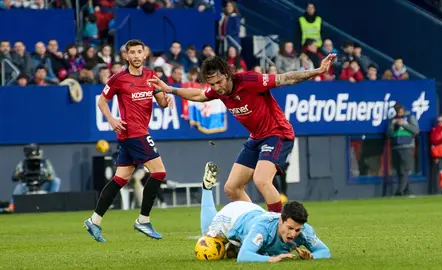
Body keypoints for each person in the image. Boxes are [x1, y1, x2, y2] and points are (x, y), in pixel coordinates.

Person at [148, 54, 336, 213]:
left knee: (261, 180)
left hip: (277, 133)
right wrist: (169, 89)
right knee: (232, 188)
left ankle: (277, 228)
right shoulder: (218, 91)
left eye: (219, 82)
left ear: (228, 74)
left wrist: (317, 71)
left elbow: (286, 78)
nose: (217, 87)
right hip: (256, 138)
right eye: (212, 84)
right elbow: (198, 95)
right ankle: (258, 221)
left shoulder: (250, 80)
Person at [83, 39, 175, 242]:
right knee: (159, 172)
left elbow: (159, 100)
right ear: (126, 56)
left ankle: (94, 220)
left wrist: (165, 101)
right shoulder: (119, 79)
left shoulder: (151, 75)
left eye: (139, 52)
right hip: (134, 132)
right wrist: (111, 119)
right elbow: (102, 101)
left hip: (134, 133)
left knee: (120, 178)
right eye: (131, 52)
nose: (135, 56)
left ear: (145, 54)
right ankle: (143, 220)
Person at [198, 162, 330, 262]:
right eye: (289, 228)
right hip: (234, 216)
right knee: (207, 238)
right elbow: (244, 257)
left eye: (297, 230)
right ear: (280, 220)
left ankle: (235, 246)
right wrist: (271, 259)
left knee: (247, 249)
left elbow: (324, 251)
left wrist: (312, 257)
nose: (293, 234)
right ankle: (207, 188)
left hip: (255, 213)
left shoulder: (304, 230)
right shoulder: (262, 230)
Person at [7, 144, 61, 212]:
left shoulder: (45, 162)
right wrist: (21, 174)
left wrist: (44, 176)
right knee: (19, 186)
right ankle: (12, 206)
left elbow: (52, 176)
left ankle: (52, 203)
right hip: (27, 186)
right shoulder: (22, 163)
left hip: (42, 185)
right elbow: (14, 177)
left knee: (57, 180)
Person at [386, 103, 419, 196]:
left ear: (403, 110)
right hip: (395, 147)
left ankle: (399, 191)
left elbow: (416, 131)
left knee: (405, 169)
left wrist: (404, 124)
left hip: (407, 146)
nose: (399, 113)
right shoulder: (392, 120)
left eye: (400, 111)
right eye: (397, 111)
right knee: (399, 170)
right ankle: (406, 191)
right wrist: (392, 126)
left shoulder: (410, 117)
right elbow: (389, 134)